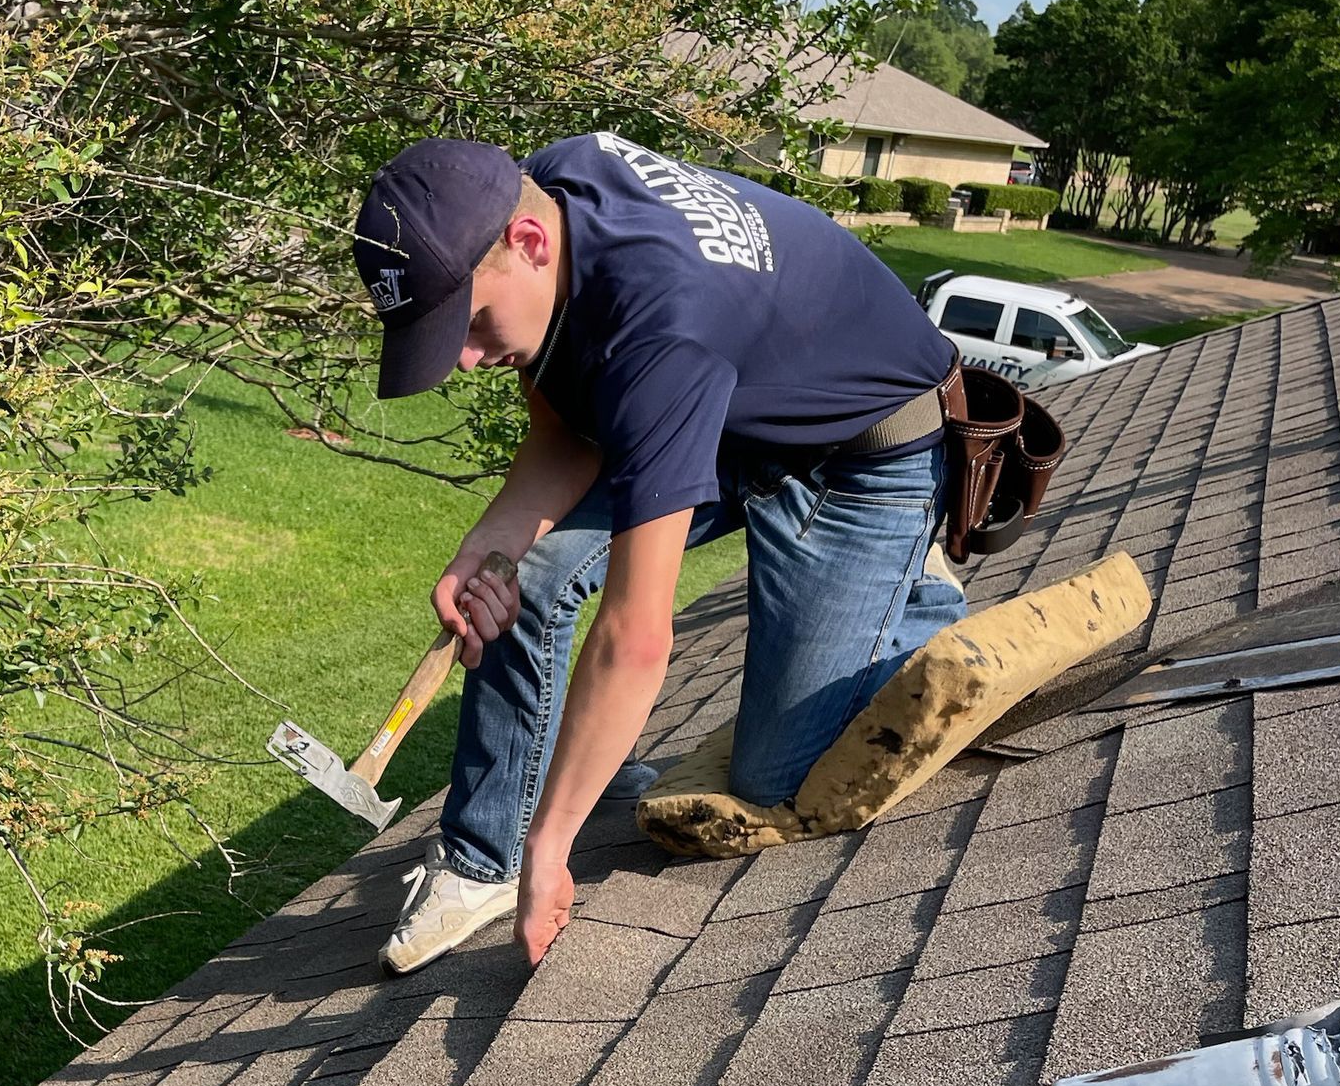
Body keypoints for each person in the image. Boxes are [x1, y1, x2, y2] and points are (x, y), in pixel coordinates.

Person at [352, 131, 966, 974]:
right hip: (730, 406)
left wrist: (556, 846)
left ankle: (909, 596)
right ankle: (480, 861)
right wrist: (489, 541)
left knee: (777, 777)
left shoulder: (659, 326)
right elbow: (569, 430)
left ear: (529, 245)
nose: (463, 358)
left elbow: (635, 637)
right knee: (522, 577)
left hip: (864, 451)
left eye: (471, 323)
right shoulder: (549, 191)